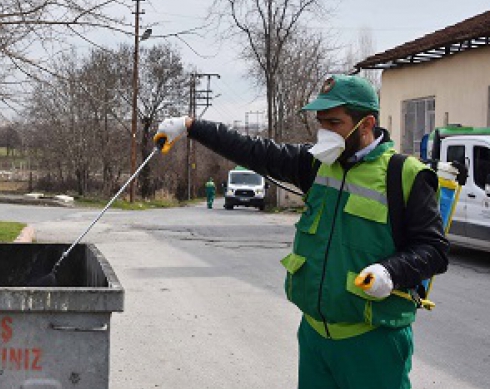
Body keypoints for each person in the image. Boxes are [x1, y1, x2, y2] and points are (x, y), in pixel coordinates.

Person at [154, 74, 449, 389]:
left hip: (373, 342)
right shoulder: (316, 165)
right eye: (321, 123)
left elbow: (434, 250)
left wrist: (390, 272)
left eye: (334, 123)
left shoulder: (404, 176)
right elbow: (254, 150)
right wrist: (191, 127)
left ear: (366, 124)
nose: (325, 132)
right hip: (315, 338)